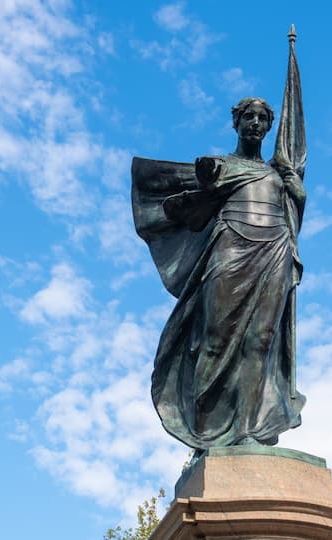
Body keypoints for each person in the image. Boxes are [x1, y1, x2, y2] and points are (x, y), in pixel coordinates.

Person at [130, 97, 306, 451]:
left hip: (274, 250)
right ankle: (203, 432)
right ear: (236, 123)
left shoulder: (278, 173)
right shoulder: (224, 165)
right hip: (231, 248)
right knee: (214, 340)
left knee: (261, 341)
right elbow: (202, 182)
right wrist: (206, 175)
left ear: (269, 126)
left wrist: (298, 194)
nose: (255, 123)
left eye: (262, 118)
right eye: (248, 117)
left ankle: (246, 430)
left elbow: (292, 220)